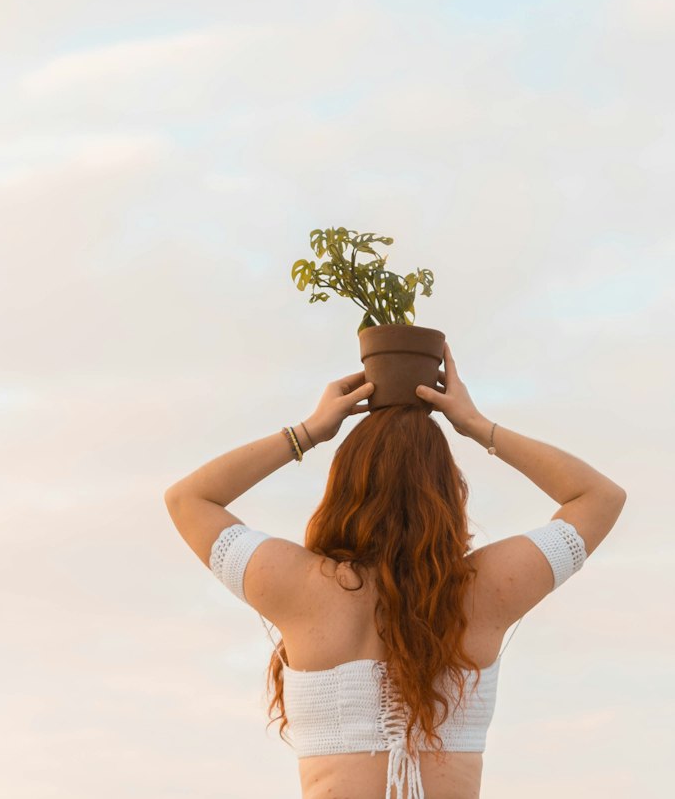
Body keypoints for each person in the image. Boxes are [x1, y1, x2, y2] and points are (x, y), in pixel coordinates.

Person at [178, 342, 627, 799]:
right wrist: (476, 426)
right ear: (447, 490)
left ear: (345, 485)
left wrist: (309, 432)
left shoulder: (299, 586)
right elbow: (598, 498)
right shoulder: (484, 589)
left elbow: (190, 500)